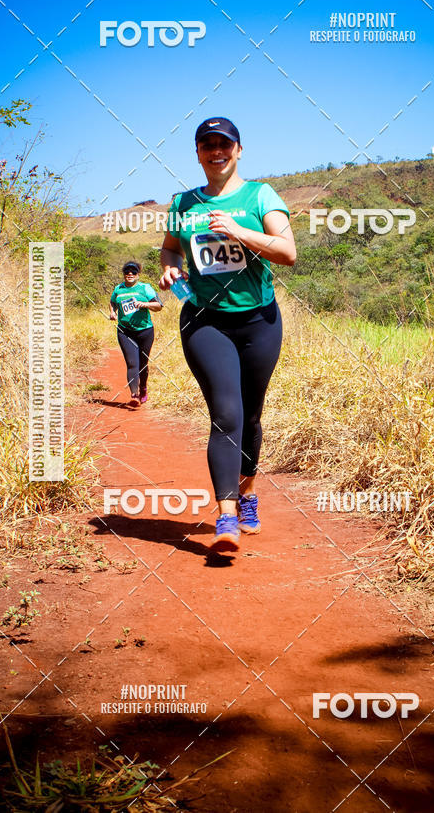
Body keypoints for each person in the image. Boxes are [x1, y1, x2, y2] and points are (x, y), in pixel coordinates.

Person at [158, 117, 296, 552]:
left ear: (238, 150)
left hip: (259, 322)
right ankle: (227, 516)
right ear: (197, 153)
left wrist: (239, 231)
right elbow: (169, 246)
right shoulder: (184, 203)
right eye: (207, 144)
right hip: (205, 321)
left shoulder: (260, 195)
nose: (216, 150)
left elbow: (287, 252)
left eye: (224, 143)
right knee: (225, 414)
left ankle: (249, 491)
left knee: (251, 415)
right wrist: (168, 266)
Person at [109, 261, 162, 408]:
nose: (130, 274)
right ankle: (134, 395)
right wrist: (113, 312)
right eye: (127, 271)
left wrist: (145, 304)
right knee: (132, 363)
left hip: (145, 331)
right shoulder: (118, 289)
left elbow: (159, 306)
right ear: (124, 274)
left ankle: (143, 388)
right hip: (125, 331)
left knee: (143, 365)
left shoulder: (145, 288)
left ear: (138, 274)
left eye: (133, 272)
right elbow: (113, 302)